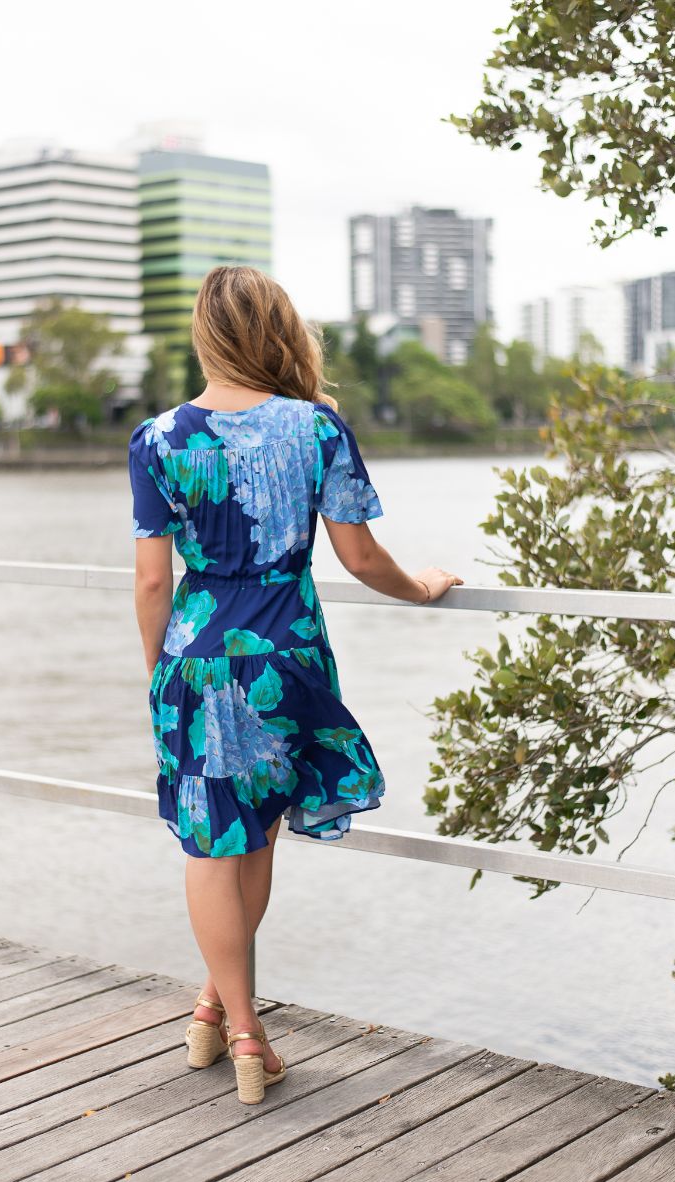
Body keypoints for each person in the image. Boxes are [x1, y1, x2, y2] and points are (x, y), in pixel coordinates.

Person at [128, 265, 463, 1104]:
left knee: (214, 841)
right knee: (260, 833)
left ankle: (222, 1013)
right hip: (286, 655)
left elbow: (148, 583)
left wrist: (158, 679)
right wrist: (420, 587)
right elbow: (358, 557)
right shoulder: (316, 430)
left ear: (203, 337)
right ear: (280, 331)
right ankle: (240, 1029)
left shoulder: (157, 439)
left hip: (192, 660)